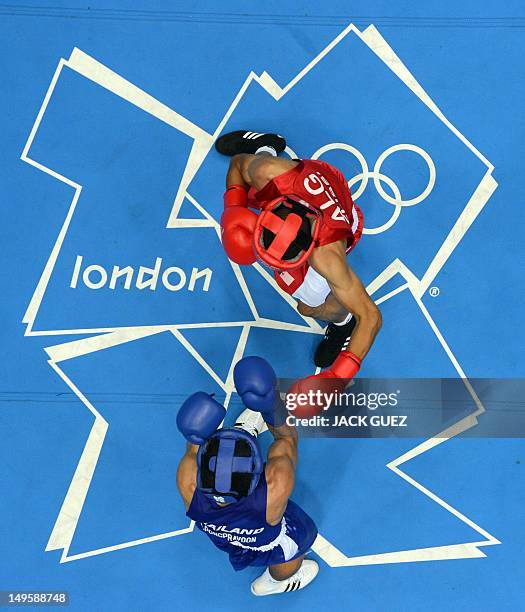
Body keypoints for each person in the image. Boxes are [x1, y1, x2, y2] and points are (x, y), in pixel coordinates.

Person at [217, 131, 381, 404]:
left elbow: (371, 316)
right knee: (252, 187)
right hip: (305, 184)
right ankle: (265, 146)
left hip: (339, 216)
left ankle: (342, 323)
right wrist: (232, 212)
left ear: (307, 252)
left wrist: (336, 378)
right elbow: (237, 163)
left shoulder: (327, 257)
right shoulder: (268, 172)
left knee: (310, 305)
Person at [176, 356, 319, 596]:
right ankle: (278, 581)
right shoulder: (275, 489)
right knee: (293, 550)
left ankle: (244, 431)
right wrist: (269, 403)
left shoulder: (188, 487)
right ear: (260, 473)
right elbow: (287, 440)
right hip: (270, 538)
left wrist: (193, 434)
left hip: (227, 539)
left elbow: (192, 450)